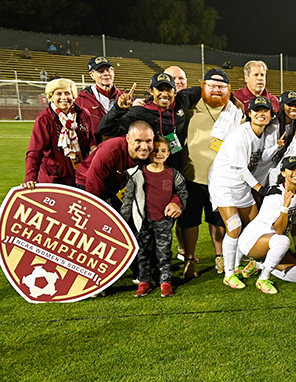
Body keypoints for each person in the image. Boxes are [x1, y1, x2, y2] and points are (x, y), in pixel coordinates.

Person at [178, 68, 244, 276]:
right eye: (212, 86)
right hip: (192, 175)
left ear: (229, 90)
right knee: (190, 220)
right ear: (203, 86)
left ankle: (220, 257)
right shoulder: (190, 106)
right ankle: (190, 259)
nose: (216, 90)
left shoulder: (236, 112)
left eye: (222, 87)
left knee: (217, 220)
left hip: (221, 178)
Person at [209, 97, 279, 289]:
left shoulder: (262, 133)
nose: (261, 114)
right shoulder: (240, 135)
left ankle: (244, 263)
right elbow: (241, 168)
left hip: (240, 186)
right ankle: (229, 273)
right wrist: (260, 188)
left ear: (271, 115)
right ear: (249, 113)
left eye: (265, 111)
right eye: (257, 110)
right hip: (223, 185)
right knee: (234, 227)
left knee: (257, 223)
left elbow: (260, 158)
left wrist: (277, 146)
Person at [121, 137, 187, 298]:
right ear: (149, 153)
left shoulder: (173, 174)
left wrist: (176, 203)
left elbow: (181, 193)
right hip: (141, 222)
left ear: (168, 154)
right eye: (155, 151)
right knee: (143, 252)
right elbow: (128, 199)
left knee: (164, 253)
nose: (159, 154)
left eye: (163, 151)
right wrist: (123, 220)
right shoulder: (137, 174)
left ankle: (166, 282)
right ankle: (145, 282)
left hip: (163, 222)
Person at [237, 156, 296, 294]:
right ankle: (263, 279)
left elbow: (293, 222)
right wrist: (285, 206)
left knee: (295, 275)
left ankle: (259, 264)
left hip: (273, 242)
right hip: (253, 240)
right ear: (283, 173)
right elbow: (279, 230)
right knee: (282, 240)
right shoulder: (274, 195)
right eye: (291, 169)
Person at [99, 72, 193, 172]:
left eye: (168, 89)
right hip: (148, 171)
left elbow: (204, 89)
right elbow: (105, 129)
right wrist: (118, 109)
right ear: (151, 91)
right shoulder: (140, 111)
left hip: (176, 170)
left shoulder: (182, 100)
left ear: (175, 92)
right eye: (160, 89)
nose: (165, 94)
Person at [24, 78, 97, 189]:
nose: (64, 97)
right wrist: (30, 178)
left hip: (79, 176)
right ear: (51, 97)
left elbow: (90, 137)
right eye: (58, 93)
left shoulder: (83, 113)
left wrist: (93, 146)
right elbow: (35, 152)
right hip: (54, 179)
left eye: (67, 93)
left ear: (73, 96)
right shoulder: (44, 119)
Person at [77, 120, 154, 205]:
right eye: (138, 141)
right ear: (128, 138)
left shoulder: (153, 152)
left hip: (116, 186)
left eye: (148, 141)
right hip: (88, 182)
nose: (144, 147)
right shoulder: (110, 150)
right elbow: (94, 182)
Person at [75, 56, 131, 138]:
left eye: (108, 70)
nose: (106, 74)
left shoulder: (125, 97)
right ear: (92, 75)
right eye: (100, 71)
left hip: (120, 145)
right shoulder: (81, 99)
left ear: (113, 71)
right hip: (94, 148)